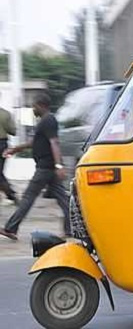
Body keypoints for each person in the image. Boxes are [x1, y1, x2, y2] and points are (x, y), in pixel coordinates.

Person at [0, 93, 70, 241]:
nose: (32, 108)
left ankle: (10, 228)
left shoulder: (48, 120)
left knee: (28, 198)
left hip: (46, 167)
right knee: (63, 199)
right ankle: (69, 229)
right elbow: (33, 142)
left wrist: (59, 165)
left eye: (34, 105)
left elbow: (54, 143)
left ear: (40, 105)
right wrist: (15, 149)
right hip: (48, 168)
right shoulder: (44, 121)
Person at [0, 101, 18, 204]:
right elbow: (13, 131)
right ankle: (10, 194)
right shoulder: (5, 114)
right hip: (2, 145)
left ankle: (10, 194)